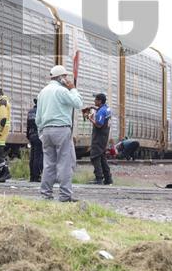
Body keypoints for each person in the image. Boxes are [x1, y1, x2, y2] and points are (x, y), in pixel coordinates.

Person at [36, 64, 83, 202]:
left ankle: (46, 195)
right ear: (61, 78)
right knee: (64, 163)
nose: (67, 79)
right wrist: (73, 89)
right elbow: (78, 103)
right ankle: (65, 196)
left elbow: (38, 117)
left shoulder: (42, 92)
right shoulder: (61, 91)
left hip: (46, 130)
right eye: (66, 76)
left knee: (48, 163)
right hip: (61, 129)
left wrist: (41, 132)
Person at [87, 93, 113, 185]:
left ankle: (98, 178)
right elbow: (103, 112)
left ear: (100, 101)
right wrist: (94, 108)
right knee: (102, 157)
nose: (94, 101)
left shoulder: (101, 112)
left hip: (99, 137)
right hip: (104, 137)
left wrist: (90, 119)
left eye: (96, 100)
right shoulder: (107, 109)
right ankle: (108, 178)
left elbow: (99, 124)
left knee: (95, 156)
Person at [27, 98, 43, 182]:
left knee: (32, 157)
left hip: (31, 135)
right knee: (38, 156)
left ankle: (32, 176)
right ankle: (37, 176)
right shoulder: (41, 112)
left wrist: (28, 136)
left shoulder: (30, 112)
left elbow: (28, 125)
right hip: (39, 135)